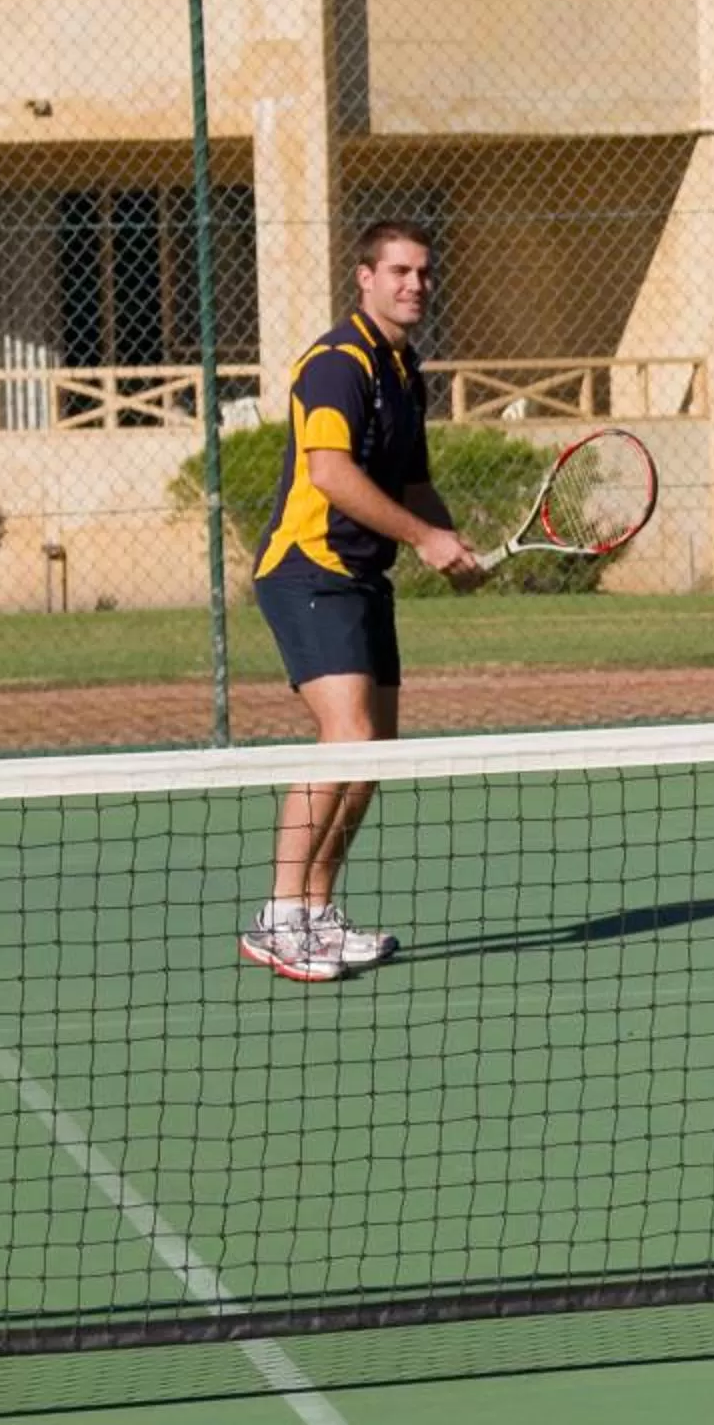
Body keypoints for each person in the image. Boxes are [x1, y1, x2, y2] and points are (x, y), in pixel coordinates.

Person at [237, 221, 480, 982]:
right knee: (346, 734)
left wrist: (448, 540)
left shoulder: (407, 370)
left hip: (365, 577)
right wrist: (423, 539)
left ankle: (316, 912)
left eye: (425, 273)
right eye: (400, 270)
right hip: (309, 571)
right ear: (365, 278)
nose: (415, 284)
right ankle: (277, 918)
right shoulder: (336, 364)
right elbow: (332, 475)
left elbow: (410, 482)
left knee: (374, 755)